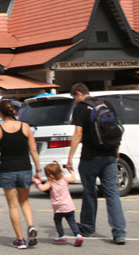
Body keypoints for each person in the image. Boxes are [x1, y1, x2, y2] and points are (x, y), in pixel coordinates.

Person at [67, 83, 126, 245]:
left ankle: (88, 227)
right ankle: (119, 232)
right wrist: (116, 150)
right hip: (110, 155)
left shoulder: (80, 108)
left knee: (89, 192)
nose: (75, 101)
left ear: (78, 93)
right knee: (112, 193)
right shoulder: (105, 104)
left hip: (90, 157)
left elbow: (78, 133)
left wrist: (70, 157)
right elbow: (116, 130)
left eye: (74, 97)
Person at [0, 99, 43, 249]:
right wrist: (38, 170)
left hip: (8, 171)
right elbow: (33, 150)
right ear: (14, 111)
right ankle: (31, 226)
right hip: (25, 169)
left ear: (0, 113)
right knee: (24, 201)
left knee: (13, 206)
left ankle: (20, 240)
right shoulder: (25, 127)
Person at [32, 162, 84, 247]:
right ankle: (78, 235)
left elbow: (42, 188)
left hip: (59, 208)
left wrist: (37, 182)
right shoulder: (64, 178)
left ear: (49, 175)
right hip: (69, 206)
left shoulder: (50, 182)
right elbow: (73, 179)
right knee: (72, 221)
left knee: (57, 221)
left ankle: (61, 235)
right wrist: (71, 171)